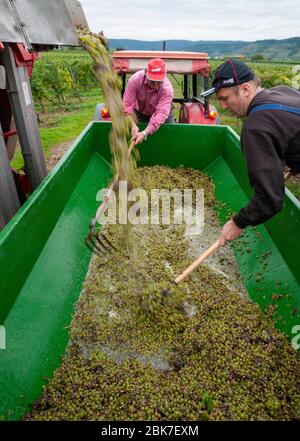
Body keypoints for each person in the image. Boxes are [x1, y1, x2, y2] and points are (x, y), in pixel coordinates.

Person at [202, 59, 300, 245]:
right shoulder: (283, 91)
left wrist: (238, 222)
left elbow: (270, 199)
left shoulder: (256, 127)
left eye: (225, 98)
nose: (222, 105)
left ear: (245, 90)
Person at [123, 58, 174, 145]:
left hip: (162, 115)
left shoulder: (167, 89)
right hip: (140, 112)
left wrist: (144, 133)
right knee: (130, 131)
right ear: (146, 73)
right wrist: (132, 124)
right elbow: (127, 105)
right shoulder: (135, 81)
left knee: (170, 136)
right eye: (152, 81)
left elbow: (161, 113)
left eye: (159, 82)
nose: (155, 85)